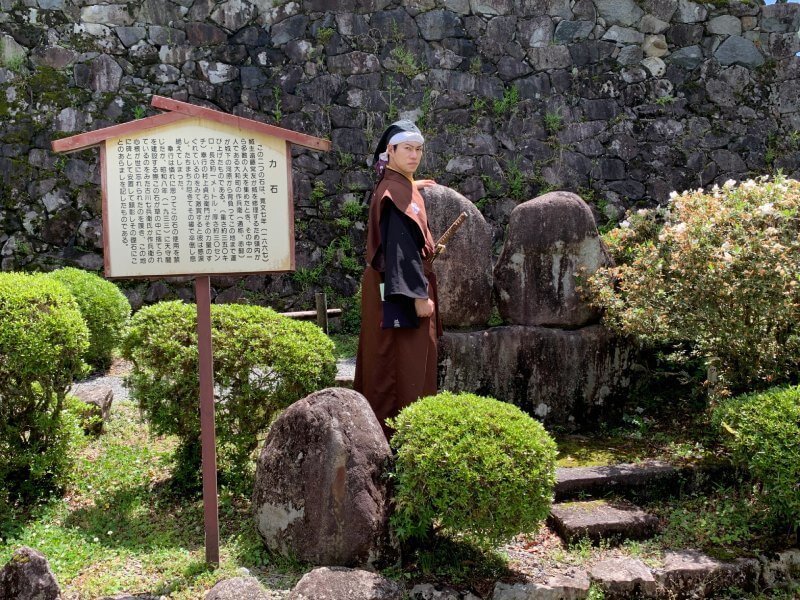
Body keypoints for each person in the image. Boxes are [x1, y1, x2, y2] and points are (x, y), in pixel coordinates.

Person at [354, 120, 442, 437]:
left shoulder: (396, 184)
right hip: (398, 292)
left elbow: (387, 185)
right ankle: (394, 440)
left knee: (393, 360)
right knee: (400, 365)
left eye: (418, 149)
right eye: (407, 148)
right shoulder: (394, 194)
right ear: (390, 150)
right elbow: (401, 249)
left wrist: (412, 185)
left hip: (389, 288)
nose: (415, 155)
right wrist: (419, 296)